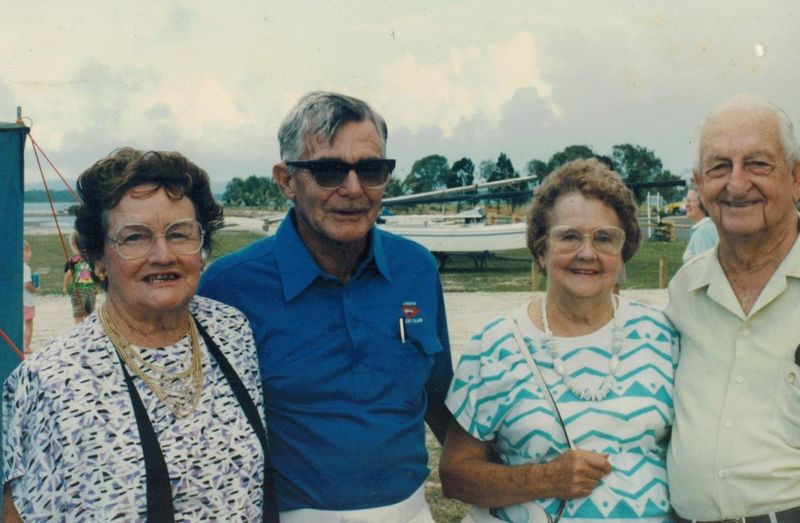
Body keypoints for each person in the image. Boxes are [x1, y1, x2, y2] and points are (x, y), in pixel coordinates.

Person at [199, 91, 453, 521]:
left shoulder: (417, 268)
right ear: (286, 180)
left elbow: (441, 395)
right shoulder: (228, 286)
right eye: (329, 171)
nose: (353, 189)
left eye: (371, 169)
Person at [3, 148, 276, 521]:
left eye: (180, 234)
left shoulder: (231, 331)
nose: (163, 255)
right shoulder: (52, 379)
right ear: (97, 258)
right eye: (135, 238)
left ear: (202, 249)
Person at [440, 159, 678, 522]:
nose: (587, 253)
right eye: (568, 236)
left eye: (604, 238)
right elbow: (455, 475)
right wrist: (544, 478)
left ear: (623, 250)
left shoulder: (662, 335)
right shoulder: (495, 345)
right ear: (540, 250)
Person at [667, 94, 800, 521]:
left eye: (758, 164)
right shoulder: (684, 291)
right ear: (699, 183)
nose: (737, 184)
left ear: (796, 178)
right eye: (720, 166)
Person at [62, 231, 98, 323]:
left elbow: (69, 274)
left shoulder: (73, 260)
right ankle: (90, 332)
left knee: (78, 315)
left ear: (73, 246)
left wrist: (65, 287)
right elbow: (96, 273)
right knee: (90, 314)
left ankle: (80, 333)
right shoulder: (91, 259)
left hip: (77, 291)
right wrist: (96, 288)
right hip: (91, 290)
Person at [681, 187, 718, 263]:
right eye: (686, 201)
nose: (686, 205)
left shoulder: (704, 232)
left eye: (690, 201)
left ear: (703, 203)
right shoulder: (710, 226)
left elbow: (704, 269)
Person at [21, 240, 36, 354]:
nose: (30, 253)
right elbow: (27, 284)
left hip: (20, 301)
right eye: (29, 251)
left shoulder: (17, 267)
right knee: (29, 324)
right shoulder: (26, 268)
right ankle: (26, 346)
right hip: (27, 302)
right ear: (24, 253)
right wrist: (34, 289)